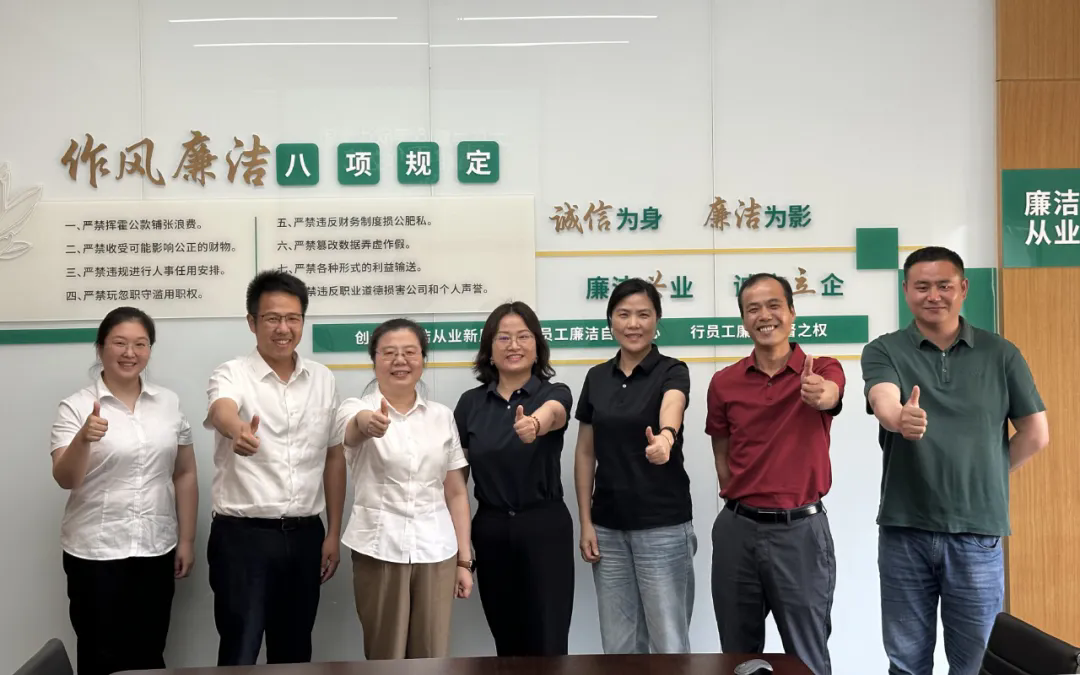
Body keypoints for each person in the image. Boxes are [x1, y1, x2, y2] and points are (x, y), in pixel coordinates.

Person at [862, 246, 1049, 675]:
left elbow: (1036, 434)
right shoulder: (884, 349)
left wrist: (985, 473)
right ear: (906, 290)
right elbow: (883, 400)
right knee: (906, 663)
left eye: (944, 286)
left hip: (977, 534)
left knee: (974, 664)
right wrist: (900, 418)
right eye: (922, 286)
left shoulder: (1001, 353)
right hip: (905, 529)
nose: (934, 296)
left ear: (963, 288)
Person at [204, 270, 345, 666]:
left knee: (295, 653)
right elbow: (221, 409)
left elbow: (334, 456)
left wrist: (333, 533)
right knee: (240, 651)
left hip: (305, 536)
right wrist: (237, 431)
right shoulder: (232, 373)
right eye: (272, 318)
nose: (283, 328)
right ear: (252, 322)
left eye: (292, 318)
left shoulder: (322, 379)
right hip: (242, 539)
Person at [705, 273, 844, 675]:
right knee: (738, 657)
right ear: (744, 320)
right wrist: (740, 497)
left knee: (806, 656)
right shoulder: (724, 382)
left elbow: (831, 394)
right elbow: (721, 449)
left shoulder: (822, 368)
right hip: (738, 531)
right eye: (753, 309)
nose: (764, 316)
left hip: (800, 532)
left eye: (773, 306)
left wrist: (821, 393)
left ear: (791, 312)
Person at [50, 307, 198, 675]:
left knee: (149, 652)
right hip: (95, 553)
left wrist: (186, 540)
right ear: (100, 348)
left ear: (149, 350)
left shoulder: (169, 403)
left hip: (155, 548)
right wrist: (83, 439)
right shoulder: (76, 406)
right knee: (100, 655)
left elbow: (184, 473)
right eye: (119, 343)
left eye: (140, 344)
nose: (130, 353)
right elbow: (65, 478)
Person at [334, 318, 473, 660]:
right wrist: (369, 424)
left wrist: (464, 561)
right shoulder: (355, 408)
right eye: (389, 353)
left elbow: (456, 492)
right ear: (374, 359)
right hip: (379, 548)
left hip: (437, 550)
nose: (400, 360)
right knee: (386, 655)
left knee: (432, 654)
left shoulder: (442, 416)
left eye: (410, 352)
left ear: (423, 358)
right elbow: (352, 430)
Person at [574, 277, 696, 654]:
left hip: (662, 526)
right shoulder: (597, 377)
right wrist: (586, 522)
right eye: (623, 314)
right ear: (610, 320)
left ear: (657, 320)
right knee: (619, 646)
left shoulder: (672, 370)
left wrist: (666, 437)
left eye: (643, 315)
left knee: (669, 644)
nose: (633, 324)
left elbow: (673, 405)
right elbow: (585, 453)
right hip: (608, 529)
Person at [454, 301, 575, 656]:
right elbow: (456, 481)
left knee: (549, 640)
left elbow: (555, 414)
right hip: (491, 529)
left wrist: (535, 423)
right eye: (503, 338)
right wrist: (462, 549)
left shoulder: (553, 392)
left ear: (537, 346)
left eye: (523, 337)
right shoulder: (470, 404)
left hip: (544, 526)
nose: (514, 345)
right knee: (507, 642)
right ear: (489, 350)